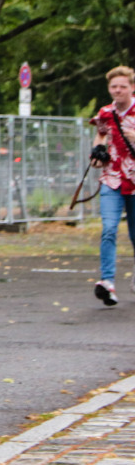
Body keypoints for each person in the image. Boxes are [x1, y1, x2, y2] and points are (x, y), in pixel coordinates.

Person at [91, 65, 135, 306]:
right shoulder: (106, 112)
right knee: (109, 229)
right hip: (112, 179)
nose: (117, 91)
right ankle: (107, 282)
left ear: (132, 87)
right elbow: (100, 133)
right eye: (113, 87)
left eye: (122, 87)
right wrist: (97, 150)